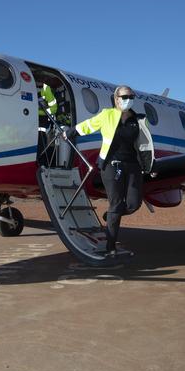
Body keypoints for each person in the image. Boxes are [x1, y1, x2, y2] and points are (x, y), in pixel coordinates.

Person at [64, 85, 154, 256]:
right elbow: (89, 125)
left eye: (131, 96)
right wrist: (71, 132)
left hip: (133, 165)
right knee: (116, 203)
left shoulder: (139, 119)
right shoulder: (107, 115)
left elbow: (145, 144)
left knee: (134, 204)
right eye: (125, 96)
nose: (129, 99)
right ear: (116, 99)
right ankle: (111, 246)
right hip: (112, 165)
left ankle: (112, 215)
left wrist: (149, 165)